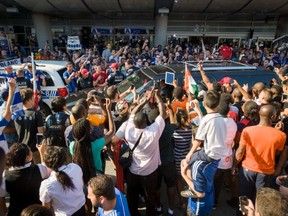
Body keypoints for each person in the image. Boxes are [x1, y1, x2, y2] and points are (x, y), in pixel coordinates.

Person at [233, 105, 286, 209]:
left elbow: (240, 151)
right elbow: (276, 153)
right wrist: (276, 131)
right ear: (273, 116)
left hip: (247, 169)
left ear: (259, 114)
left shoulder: (247, 130)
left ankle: (242, 212)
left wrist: (234, 165)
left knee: (244, 196)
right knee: (260, 198)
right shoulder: (281, 135)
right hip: (266, 172)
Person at [125, 89, 165, 216]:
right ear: (145, 123)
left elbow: (133, 112)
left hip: (133, 172)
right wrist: (157, 98)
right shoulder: (152, 132)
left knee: (132, 197)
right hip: (149, 173)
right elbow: (162, 113)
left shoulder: (129, 131)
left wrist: (144, 101)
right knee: (150, 197)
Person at [0, 143, 50, 216]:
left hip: (16, 212)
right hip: (35, 212)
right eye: (30, 152)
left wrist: (4, 212)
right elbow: (46, 168)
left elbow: (1, 197)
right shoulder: (38, 169)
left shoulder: (5, 175)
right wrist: (42, 153)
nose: (32, 153)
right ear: (27, 158)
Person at [39, 146, 86, 216]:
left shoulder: (47, 184)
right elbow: (81, 186)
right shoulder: (75, 167)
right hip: (81, 208)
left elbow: (46, 208)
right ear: (65, 159)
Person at [14, 88, 44, 164]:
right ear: (29, 100)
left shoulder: (16, 114)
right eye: (33, 98)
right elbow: (40, 133)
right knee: (38, 170)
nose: (34, 99)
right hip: (34, 150)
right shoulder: (36, 114)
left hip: (22, 149)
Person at [0, 79, 16, 152]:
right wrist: (17, 129)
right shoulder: (3, 110)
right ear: (7, 98)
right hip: (10, 141)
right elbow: (5, 129)